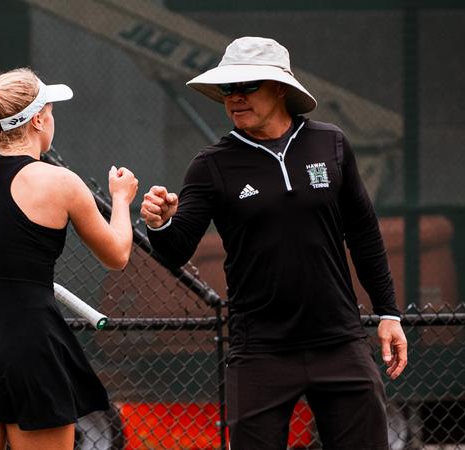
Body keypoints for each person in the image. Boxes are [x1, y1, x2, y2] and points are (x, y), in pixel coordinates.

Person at [140, 37, 408, 449]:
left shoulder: (331, 143)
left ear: (280, 87)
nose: (235, 97)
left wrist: (388, 312)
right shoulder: (211, 165)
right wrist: (159, 224)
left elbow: (364, 233)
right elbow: (175, 250)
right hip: (259, 351)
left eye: (248, 85)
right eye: (228, 88)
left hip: (340, 342)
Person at [0, 67, 138, 450]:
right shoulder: (62, 182)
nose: (52, 120)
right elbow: (117, 254)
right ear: (38, 119)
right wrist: (121, 199)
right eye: (50, 112)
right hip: (32, 344)